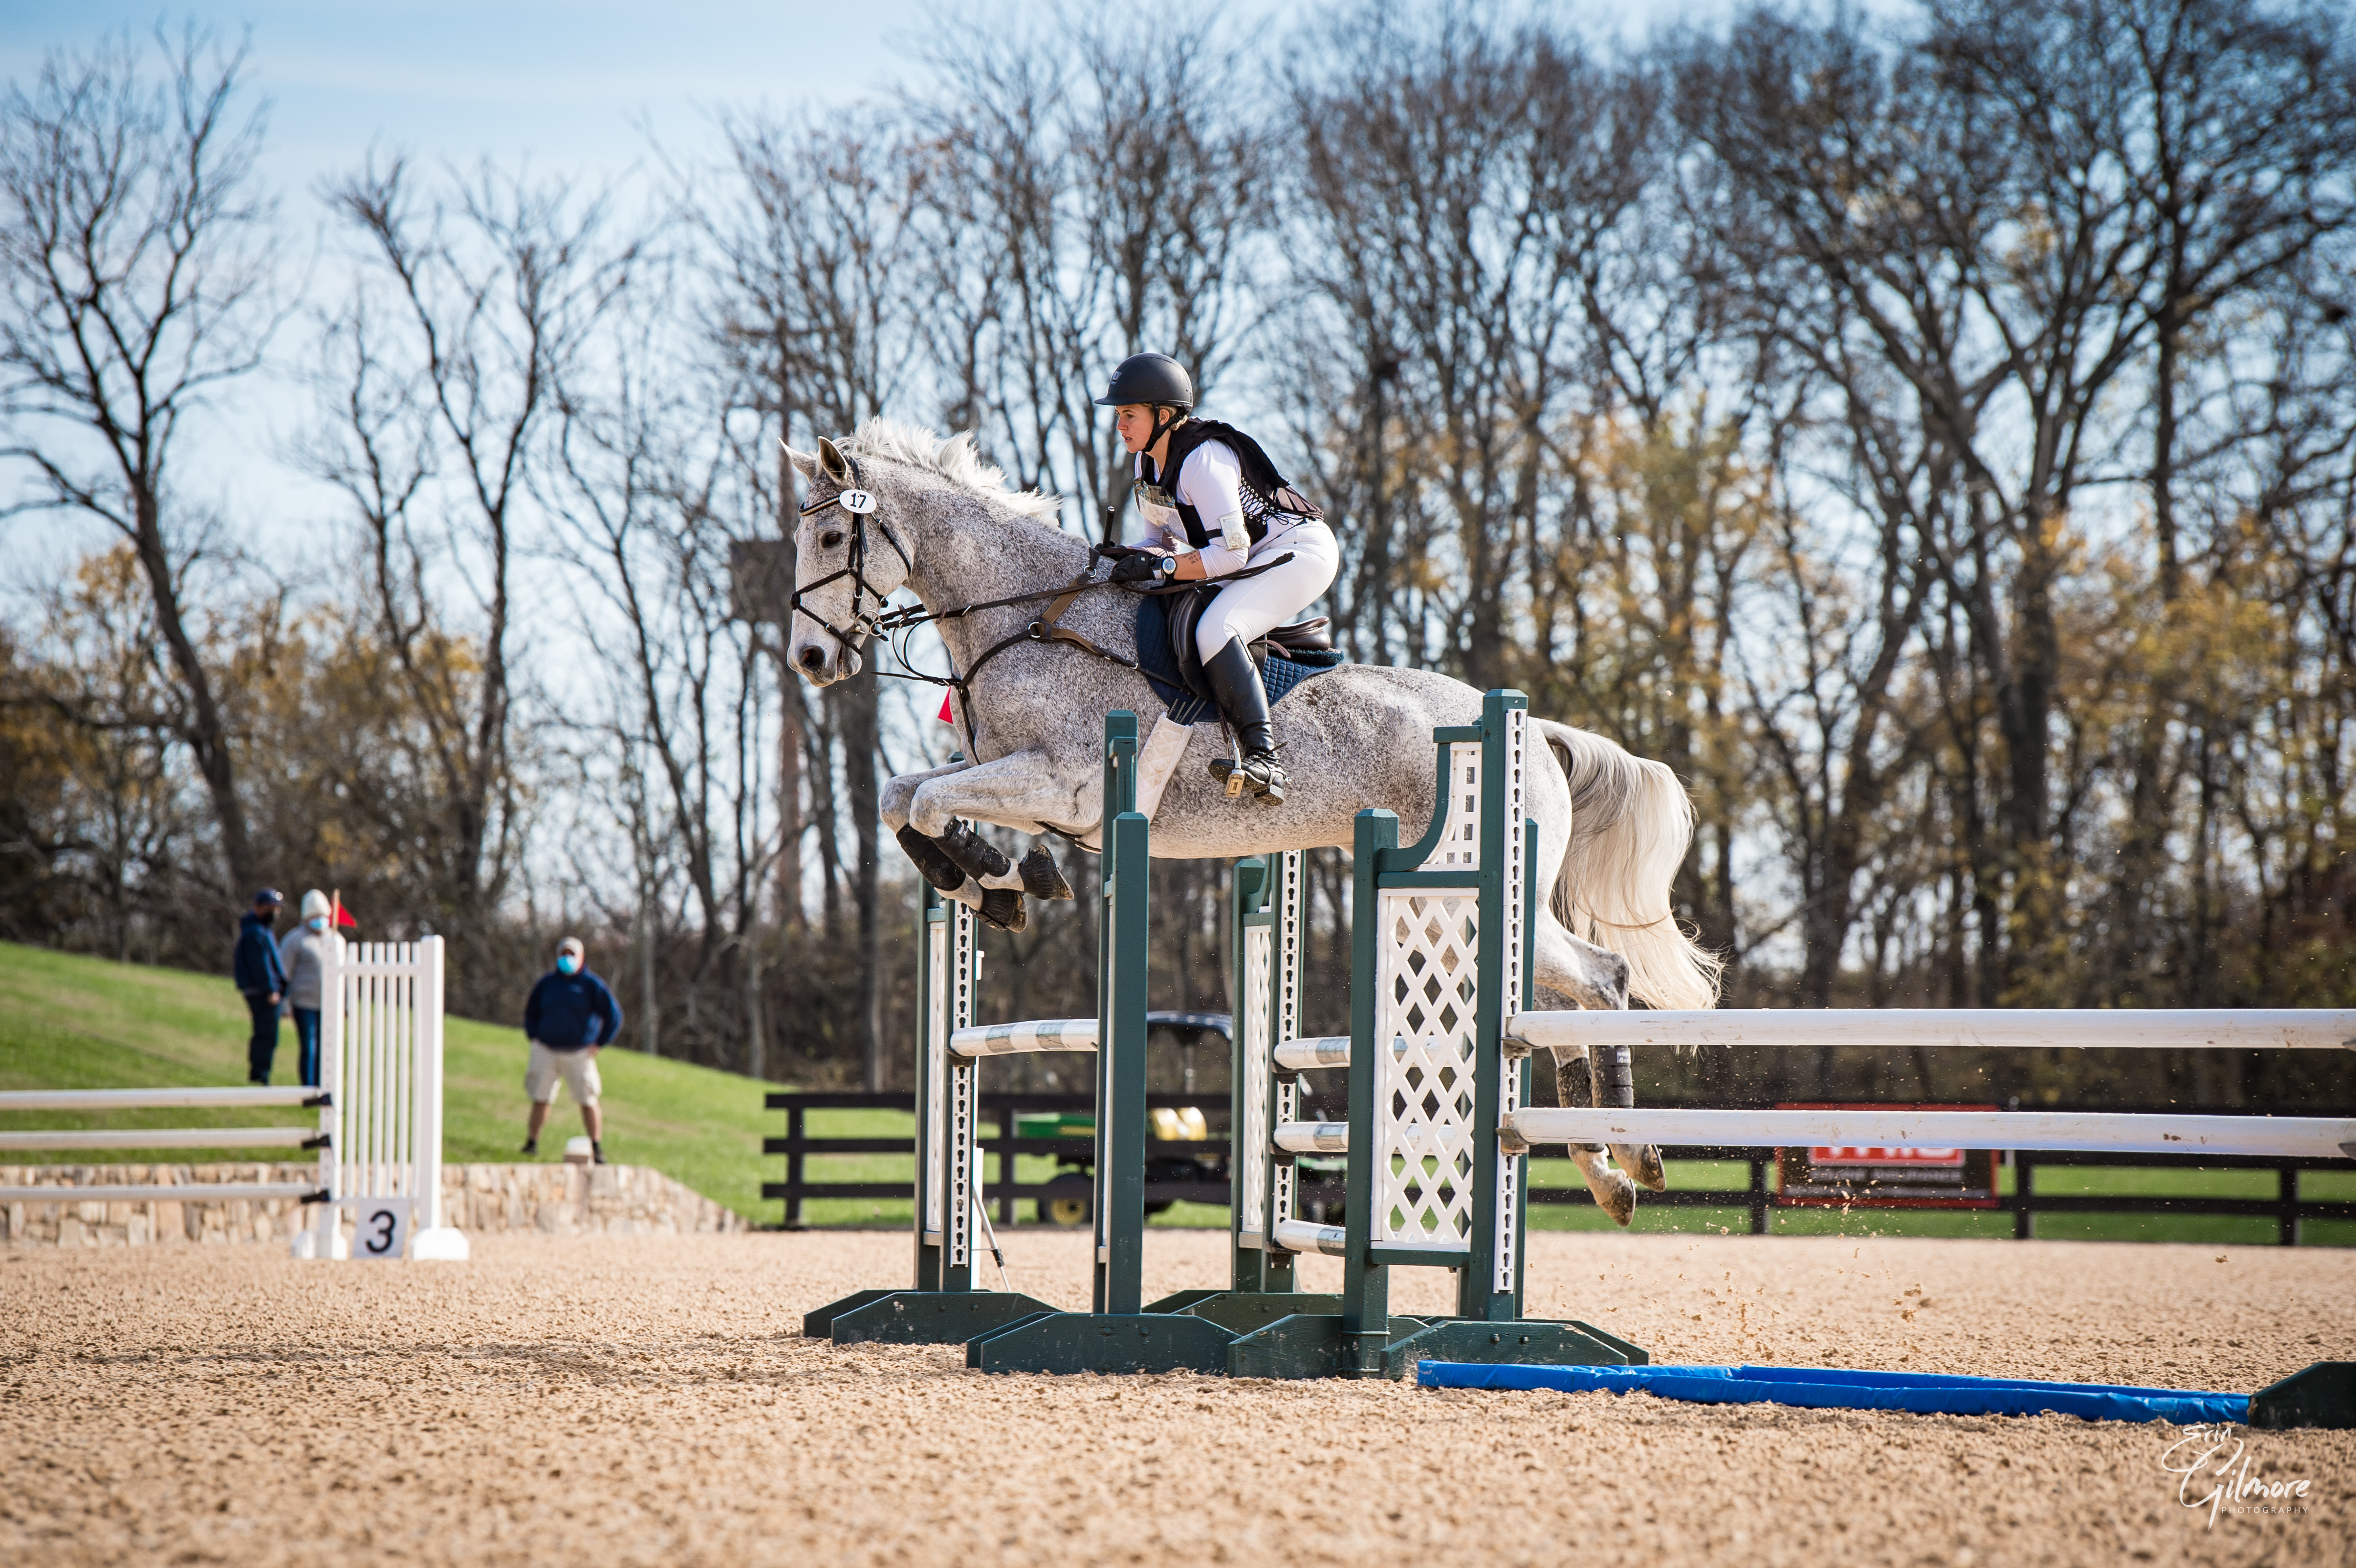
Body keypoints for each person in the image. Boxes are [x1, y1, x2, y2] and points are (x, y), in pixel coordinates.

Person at [1096, 353, 1339, 803]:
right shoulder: (1146, 464)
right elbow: (1162, 542)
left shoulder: (1202, 460)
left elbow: (1231, 553)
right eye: (1118, 415)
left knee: (1216, 628)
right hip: (1252, 557)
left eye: (1129, 414)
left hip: (1300, 552)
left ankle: (1265, 758)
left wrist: (1162, 565)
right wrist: (1129, 556)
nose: (1120, 426)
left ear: (1163, 416)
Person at [521, 936, 623, 1163]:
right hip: (546, 1049)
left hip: (579, 1053)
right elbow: (531, 1012)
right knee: (541, 1097)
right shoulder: (547, 984)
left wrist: (599, 1043)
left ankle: (596, 1147)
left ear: (581, 957)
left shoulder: (592, 985)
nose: (568, 958)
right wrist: (533, 1035)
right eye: (564, 954)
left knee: (588, 1099)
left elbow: (614, 1016)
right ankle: (531, 1143)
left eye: (572, 954)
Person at [275, 890, 336, 1089]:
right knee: (309, 1048)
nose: (320, 920)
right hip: (304, 1005)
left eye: (323, 916)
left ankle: (322, 1087)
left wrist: (345, 1004)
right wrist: (285, 1004)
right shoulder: (295, 940)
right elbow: (284, 974)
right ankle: (308, 1088)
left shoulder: (334, 939)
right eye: (315, 917)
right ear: (307, 917)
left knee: (326, 1049)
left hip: (328, 1005)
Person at [231, 889, 288, 1084]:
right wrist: (271, 989)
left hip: (264, 990)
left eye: (277, 908)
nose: (275, 912)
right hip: (262, 992)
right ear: (258, 908)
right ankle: (260, 1074)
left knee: (266, 1032)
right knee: (266, 1033)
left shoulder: (263, 930)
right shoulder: (255, 932)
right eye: (271, 908)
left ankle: (260, 1073)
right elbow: (261, 965)